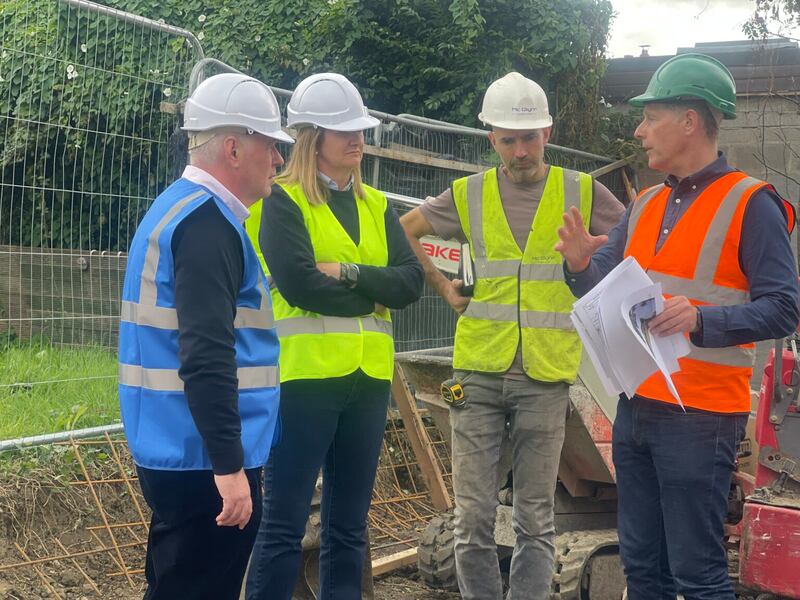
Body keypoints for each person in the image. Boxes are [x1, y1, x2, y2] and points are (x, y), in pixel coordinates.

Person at [555, 53, 800, 599]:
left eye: (651, 116)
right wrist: (577, 266)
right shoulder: (645, 205)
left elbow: (785, 308)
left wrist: (702, 318)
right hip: (637, 408)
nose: (639, 130)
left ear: (690, 120)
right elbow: (604, 283)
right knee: (644, 569)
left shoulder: (750, 204)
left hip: (703, 416)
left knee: (699, 574)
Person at [400, 72, 625, 599]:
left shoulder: (582, 190)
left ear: (547, 131)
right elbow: (405, 229)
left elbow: (635, 237)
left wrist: (597, 277)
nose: (520, 150)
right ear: (491, 140)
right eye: (508, 139)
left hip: (546, 377)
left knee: (534, 518)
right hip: (472, 375)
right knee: (473, 516)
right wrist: (441, 287)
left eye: (529, 137)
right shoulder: (469, 194)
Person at [244, 72, 423, 600]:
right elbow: (301, 286)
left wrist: (346, 273)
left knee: (350, 528)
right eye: (344, 130)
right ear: (311, 137)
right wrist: (375, 289)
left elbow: (411, 284)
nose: (357, 139)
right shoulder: (282, 202)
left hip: (367, 382)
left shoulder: (376, 204)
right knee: (283, 524)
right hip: (303, 381)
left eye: (360, 129)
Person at [118, 73, 292, 600]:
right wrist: (230, 466)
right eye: (272, 145)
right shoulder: (208, 227)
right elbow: (207, 355)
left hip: (176, 449)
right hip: (203, 462)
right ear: (235, 147)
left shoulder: (177, 209)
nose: (279, 160)